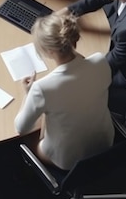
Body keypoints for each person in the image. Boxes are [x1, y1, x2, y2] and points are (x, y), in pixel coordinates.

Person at [14, 14, 114, 170]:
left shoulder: (42, 88)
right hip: (105, 143)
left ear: (48, 51)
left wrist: (27, 94)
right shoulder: (100, 61)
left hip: (69, 158)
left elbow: (21, 128)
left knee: (29, 138)